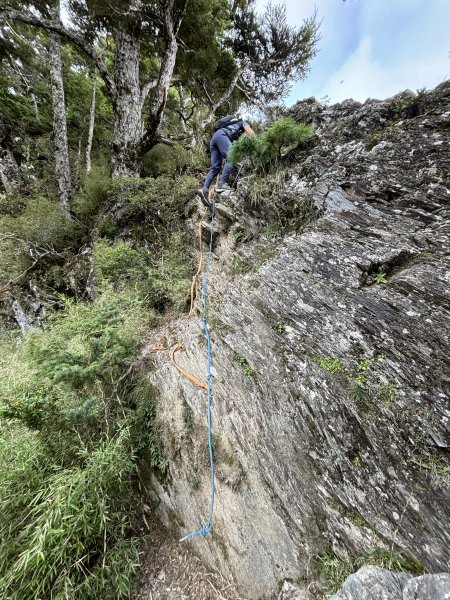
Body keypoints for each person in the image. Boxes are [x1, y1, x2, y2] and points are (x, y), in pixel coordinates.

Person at [197, 116, 255, 205]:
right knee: (232, 157)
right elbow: (250, 133)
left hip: (215, 138)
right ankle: (222, 184)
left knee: (215, 168)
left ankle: (204, 189)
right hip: (222, 135)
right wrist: (257, 141)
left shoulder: (235, 130)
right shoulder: (244, 122)